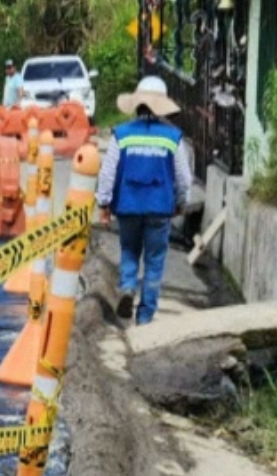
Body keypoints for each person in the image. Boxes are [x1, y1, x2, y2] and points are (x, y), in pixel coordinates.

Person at [96, 76, 191, 326]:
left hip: (127, 207)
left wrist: (104, 204)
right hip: (160, 209)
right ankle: (146, 315)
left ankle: (128, 287)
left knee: (129, 250)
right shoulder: (173, 138)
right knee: (155, 260)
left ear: (137, 104)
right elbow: (184, 178)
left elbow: (107, 173)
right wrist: (180, 202)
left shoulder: (122, 135)